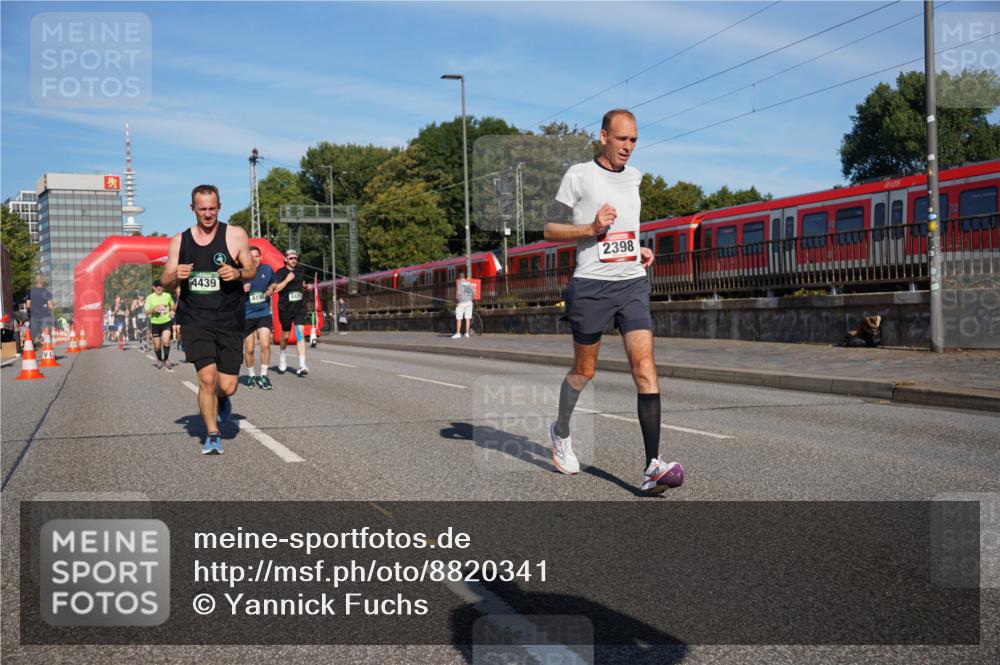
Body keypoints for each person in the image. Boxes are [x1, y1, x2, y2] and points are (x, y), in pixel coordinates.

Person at [543, 109, 683, 494]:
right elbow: (549, 229)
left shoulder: (636, 178)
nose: (628, 147)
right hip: (590, 285)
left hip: (631, 283)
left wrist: (637, 248)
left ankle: (652, 466)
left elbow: (624, 230)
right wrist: (589, 228)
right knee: (584, 371)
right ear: (603, 137)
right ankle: (560, 431)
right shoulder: (578, 175)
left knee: (645, 369)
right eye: (622, 139)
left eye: (634, 140)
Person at [161, 184, 254, 455]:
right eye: (202, 209)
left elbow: (251, 268)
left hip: (229, 318)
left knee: (227, 386)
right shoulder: (180, 241)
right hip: (195, 318)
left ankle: (222, 401)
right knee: (207, 379)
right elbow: (166, 281)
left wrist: (237, 274)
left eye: (212, 208)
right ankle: (212, 434)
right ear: (192, 209)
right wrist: (176, 274)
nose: (208, 214)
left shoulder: (236, 235)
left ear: (219, 207)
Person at [273, 249, 311, 376]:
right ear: (285, 259)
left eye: (295, 258)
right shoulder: (280, 272)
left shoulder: (300, 270)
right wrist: (287, 280)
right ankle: (282, 357)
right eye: (291, 258)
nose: (294, 260)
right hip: (285, 308)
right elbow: (276, 289)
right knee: (285, 335)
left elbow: (302, 283)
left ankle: (302, 364)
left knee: (300, 334)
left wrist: (306, 287)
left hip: (299, 307)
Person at [242, 245, 276, 390]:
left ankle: (263, 375)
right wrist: (241, 289)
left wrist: (270, 289)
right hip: (247, 314)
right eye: (251, 256)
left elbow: (274, 283)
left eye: (257, 256)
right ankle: (251, 376)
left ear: (261, 258)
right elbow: (229, 291)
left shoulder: (267, 269)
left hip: (263, 313)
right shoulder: (242, 272)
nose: (254, 259)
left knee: (265, 344)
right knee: (249, 349)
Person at [145, 279, 175, 371]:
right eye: (157, 286)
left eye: (161, 286)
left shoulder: (168, 296)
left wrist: (171, 311)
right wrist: (153, 310)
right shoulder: (149, 298)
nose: (159, 287)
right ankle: (159, 360)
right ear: (153, 288)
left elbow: (172, 306)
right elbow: (146, 311)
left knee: (166, 341)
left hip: (166, 321)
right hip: (155, 323)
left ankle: (166, 359)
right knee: (157, 345)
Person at [26, 275, 55, 340]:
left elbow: (28, 305)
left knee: (32, 334)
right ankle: (46, 344)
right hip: (45, 316)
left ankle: (33, 344)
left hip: (34, 316)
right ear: (43, 282)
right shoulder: (47, 292)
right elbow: (50, 306)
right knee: (46, 334)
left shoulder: (31, 291)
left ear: (36, 282)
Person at [451, 269, 475, 339]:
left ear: (459, 277)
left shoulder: (459, 283)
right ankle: (467, 333)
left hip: (462, 303)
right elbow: (474, 293)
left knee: (459, 318)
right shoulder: (469, 283)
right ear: (464, 277)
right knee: (468, 318)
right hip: (469, 302)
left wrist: (457, 302)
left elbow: (458, 294)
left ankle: (458, 333)